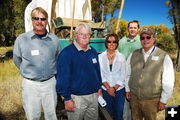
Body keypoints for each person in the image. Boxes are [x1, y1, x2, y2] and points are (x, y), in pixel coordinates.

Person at [13, 7, 60, 120]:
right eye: (36, 18)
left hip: (50, 84)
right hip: (31, 85)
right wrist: (30, 73)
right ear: (32, 20)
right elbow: (17, 60)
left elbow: (58, 59)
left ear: (47, 21)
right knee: (32, 116)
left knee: (51, 115)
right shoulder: (22, 39)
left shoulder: (54, 39)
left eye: (43, 19)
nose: (39, 21)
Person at [126, 28, 175, 120]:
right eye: (142, 38)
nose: (145, 40)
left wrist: (163, 100)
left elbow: (168, 81)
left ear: (153, 39)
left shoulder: (163, 56)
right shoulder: (134, 54)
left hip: (152, 100)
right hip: (134, 98)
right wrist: (127, 89)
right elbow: (127, 73)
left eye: (148, 37)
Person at [56, 23, 102, 120]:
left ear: (90, 36)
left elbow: (97, 72)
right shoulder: (67, 53)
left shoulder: (93, 51)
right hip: (76, 99)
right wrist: (67, 98)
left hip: (93, 96)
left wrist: (99, 88)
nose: (85, 37)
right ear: (76, 35)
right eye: (81, 34)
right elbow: (62, 78)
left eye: (87, 34)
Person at [118, 20, 142, 120]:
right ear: (128, 29)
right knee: (125, 104)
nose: (132, 29)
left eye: (134, 27)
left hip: (138, 78)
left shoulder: (142, 41)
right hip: (123, 77)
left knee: (137, 106)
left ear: (138, 29)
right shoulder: (122, 41)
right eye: (130, 27)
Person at [98, 33, 126, 120]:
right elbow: (100, 74)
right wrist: (108, 88)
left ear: (117, 44)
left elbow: (123, 74)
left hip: (119, 91)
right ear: (106, 43)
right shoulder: (100, 57)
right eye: (109, 41)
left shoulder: (121, 57)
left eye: (114, 42)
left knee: (118, 114)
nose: (111, 43)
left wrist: (114, 88)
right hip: (105, 90)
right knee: (107, 115)